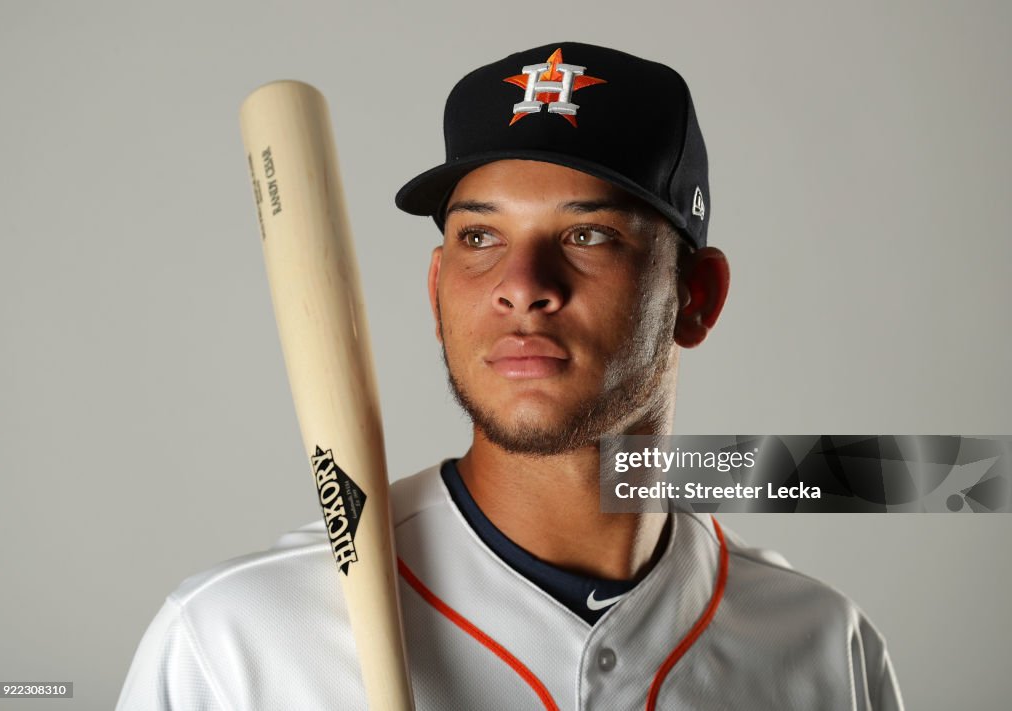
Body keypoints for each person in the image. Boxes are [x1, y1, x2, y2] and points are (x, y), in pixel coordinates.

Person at [117, 41, 903, 710]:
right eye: (480, 235)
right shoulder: (234, 643)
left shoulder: (823, 646)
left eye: (588, 232)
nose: (522, 282)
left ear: (695, 300)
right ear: (436, 292)